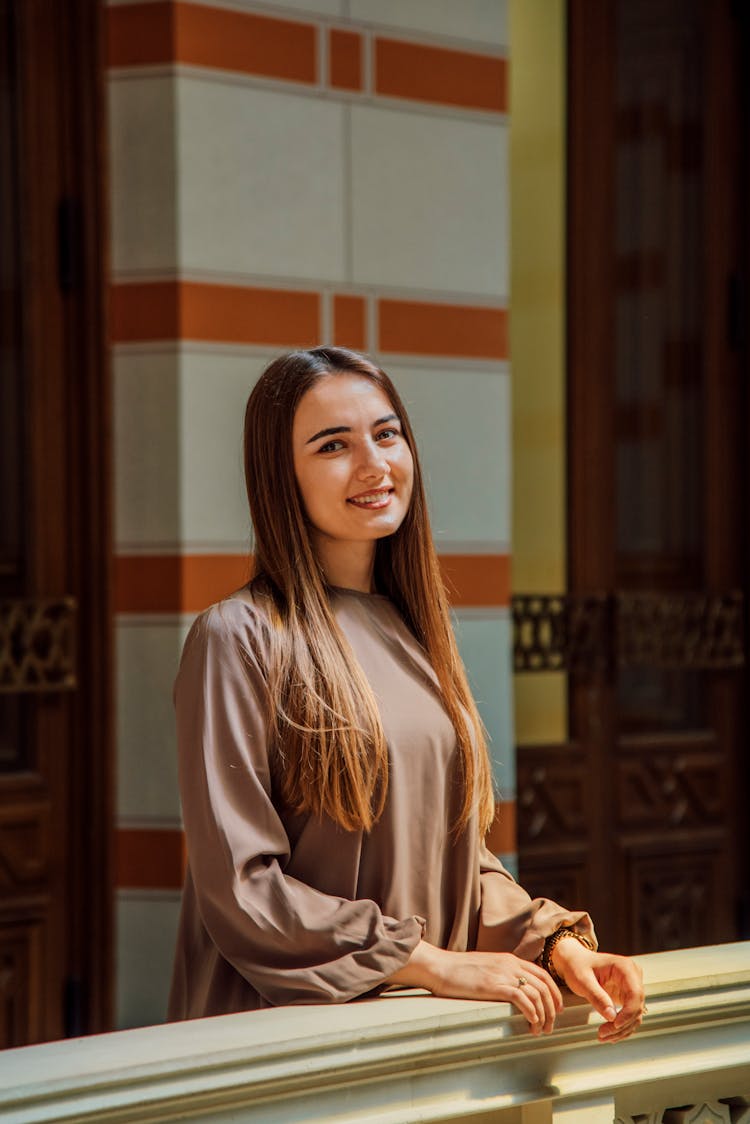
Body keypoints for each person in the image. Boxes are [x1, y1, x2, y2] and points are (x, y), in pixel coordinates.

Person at [168, 347, 645, 1043]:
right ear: (280, 475)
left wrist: (555, 946)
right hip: (284, 1048)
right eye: (333, 445)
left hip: (416, 1037)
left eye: (386, 435)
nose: (374, 465)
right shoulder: (237, 638)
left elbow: (454, 860)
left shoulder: (415, 630)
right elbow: (243, 890)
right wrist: (430, 964)